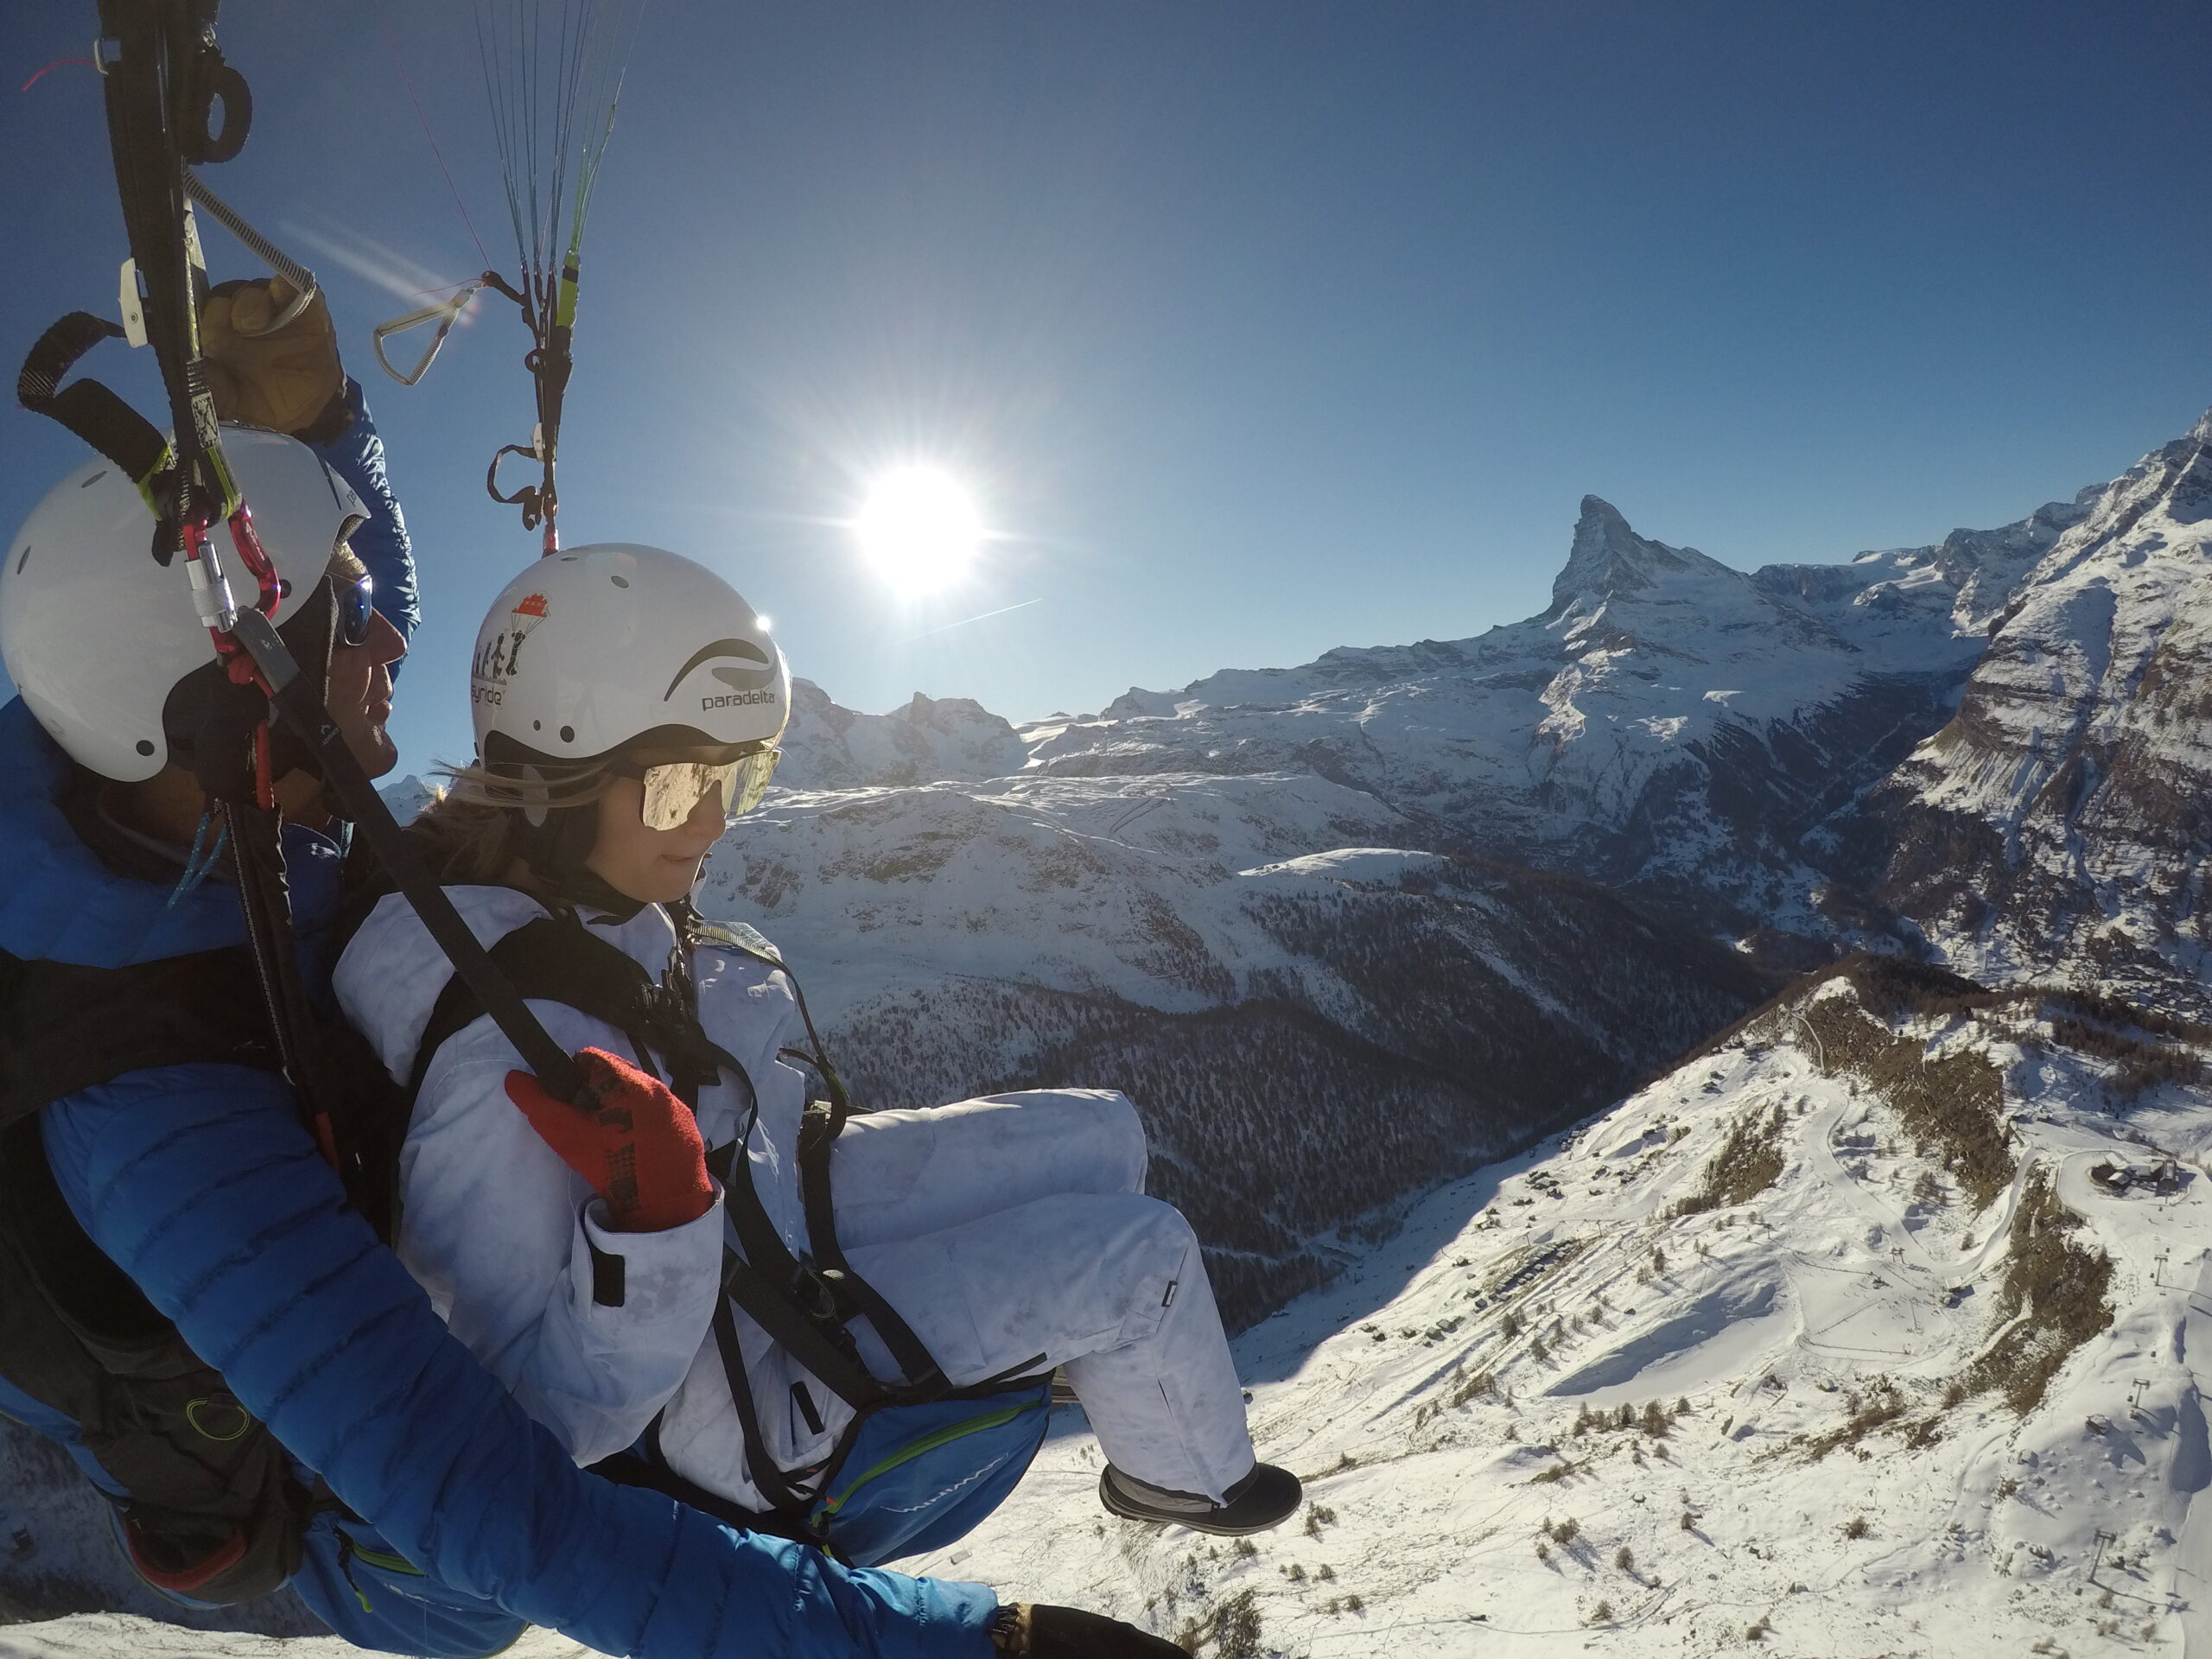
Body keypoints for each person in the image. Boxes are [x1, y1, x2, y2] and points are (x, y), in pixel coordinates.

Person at [0, 277, 1184, 1659]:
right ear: (229, 706)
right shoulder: (159, 1123)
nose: (394, 641)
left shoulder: (170, 771)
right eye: (351, 626)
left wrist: (322, 426)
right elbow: (496, 1509)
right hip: (386, 1544)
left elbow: (311, 592)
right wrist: (959, 1648)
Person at [331, 543, 1302, 1553]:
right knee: (1147, 1261)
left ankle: (1092, 1374)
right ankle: (1188, 1480)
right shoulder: (512, 1052)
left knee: (1107, 1135)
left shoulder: (564, 900)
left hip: (757, 1222)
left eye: (736, 778)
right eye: (673, 788)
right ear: (549, 782)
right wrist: (658, 1225)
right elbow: (532, 1413)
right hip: (744, 1400)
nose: (711, 823)